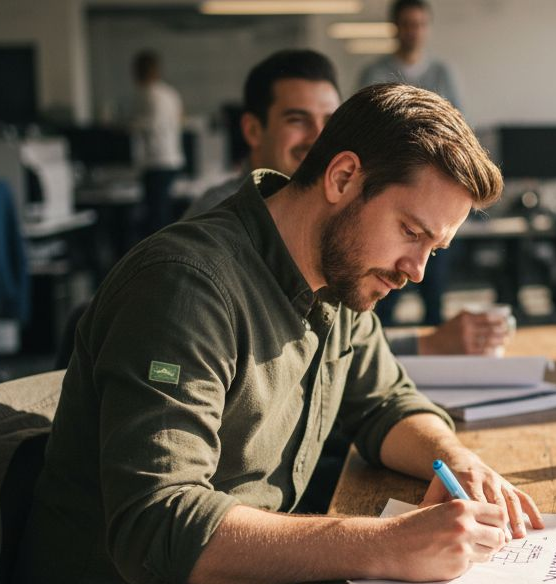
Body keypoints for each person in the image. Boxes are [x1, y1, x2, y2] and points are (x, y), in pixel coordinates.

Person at [14, 84, 541, 584]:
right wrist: (385, 544)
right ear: (343, 177)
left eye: (433, 251)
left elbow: (385, 404)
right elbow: (160, 526)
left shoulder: (345, 277)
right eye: (412, 233)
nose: (415, 271)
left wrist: (455, 459)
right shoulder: (185, 285)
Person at [187, 49, 511, 357]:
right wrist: (429, 344)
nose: (318, 137)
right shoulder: (217, 242)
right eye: (298, 120)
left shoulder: (337, 245)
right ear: (253, 130)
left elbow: (364, 372)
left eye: (329, 120)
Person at [360, 0, 461, 327]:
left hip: (435, 199)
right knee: (385, 293)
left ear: (426, 28)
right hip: (392, 194)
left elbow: (458, 131)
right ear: (395, 28)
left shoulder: (442, 73)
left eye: (419, 24)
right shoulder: (374, 74)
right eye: (407, 24)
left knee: (434, 291)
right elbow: (367, 130)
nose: (413, 31)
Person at [131, 50, 185, 239]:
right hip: (171, 159)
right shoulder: (170, 93)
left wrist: (125, 125)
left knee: (156, 219)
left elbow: (149, 125)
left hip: (156, 161)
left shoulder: (149, 94)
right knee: (161, 213)